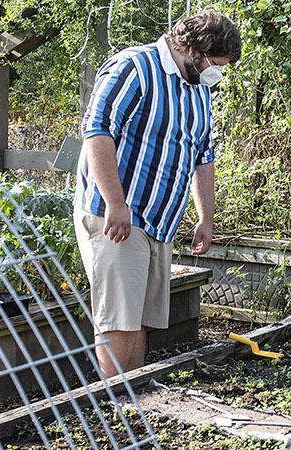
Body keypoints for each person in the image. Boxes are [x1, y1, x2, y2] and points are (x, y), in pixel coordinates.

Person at [74, 10, 241, 378]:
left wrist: (205, 217)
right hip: (117, 217)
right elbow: (97, 132)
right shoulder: (134, 67)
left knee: (141, 318)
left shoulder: (199, 89)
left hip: (159, 224)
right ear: (194, 50)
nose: (217, 72)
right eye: (214, 63)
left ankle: (133, 399)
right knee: (118, 318)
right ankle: (117, 402)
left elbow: (203, 156)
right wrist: (115, 203)